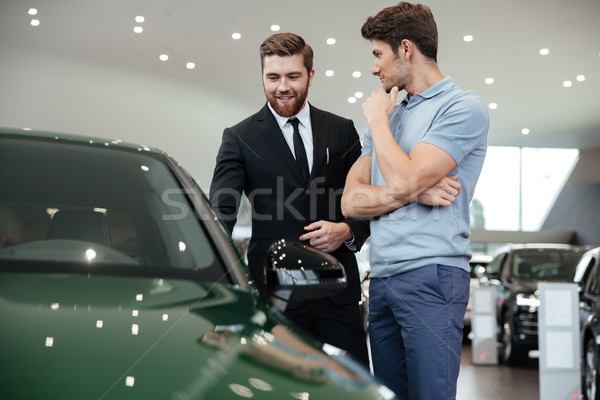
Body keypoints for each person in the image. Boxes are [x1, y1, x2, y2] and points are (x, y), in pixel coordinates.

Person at [341, 3, 489, 399]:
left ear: (405, 48)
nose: (375, 68)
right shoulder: (394, 111)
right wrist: (415, 191)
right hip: (384, 279)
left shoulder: (461, 107)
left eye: (378, 54)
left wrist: (376, 122)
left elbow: (403, 176)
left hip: (431, 276)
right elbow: (351, 202)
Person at [209, 32, 371, 366]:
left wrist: (348, 230)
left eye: (293, 76)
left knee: (349, 386)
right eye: (273, 77)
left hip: (337, 291)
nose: (283, 86)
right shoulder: (239, 138)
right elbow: (221, 212)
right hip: (275, 294)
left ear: (310, 75)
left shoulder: (342, 130)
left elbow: (366, 198)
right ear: (263, 76)